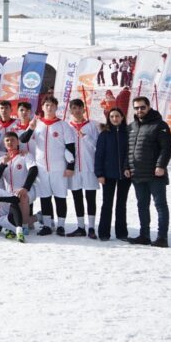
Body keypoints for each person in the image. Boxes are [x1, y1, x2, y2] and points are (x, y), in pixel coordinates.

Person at [22, 97, 77, 237]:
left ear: (56, 107)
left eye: (52, 105)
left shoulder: (63, 125)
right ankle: (47, 225)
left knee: (60, 197)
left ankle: (61, 226)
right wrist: (31, 128)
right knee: (45, 197)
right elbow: (23, 139)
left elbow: (70, 147)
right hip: (41, 168)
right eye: (47, 105)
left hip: (59, 167)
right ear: (42, 107)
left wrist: (71, 166)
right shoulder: (37, 124)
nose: (49, 108)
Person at [125, 97, 171, 247]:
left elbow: (168, 147)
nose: (139, 110)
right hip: (137, 174)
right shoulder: (131, 126)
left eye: (142, 107)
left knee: (160, 205)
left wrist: (161, 166)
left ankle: (162, 238)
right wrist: (126, 167)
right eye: (136, 108)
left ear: (148, 107)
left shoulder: (160, 125)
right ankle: (144, 235)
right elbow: (128, 149)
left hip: (155, 174)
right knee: (142, 205)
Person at [66, 98, 100, 238]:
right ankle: (80, 227)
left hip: (89, 167)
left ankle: (91, 227)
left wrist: (86, 138)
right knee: (77, 197)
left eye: (80, 108)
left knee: (91, 197)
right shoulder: (67, 126)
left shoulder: (92, 125)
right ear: (71, 110)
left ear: (84, 109)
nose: (77, 111)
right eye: (74, 108)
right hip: (74, 168)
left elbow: (98, 146)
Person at [94, 108, 130, 241]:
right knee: (107, 203)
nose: (115, 119)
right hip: (108, 175)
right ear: (109, 118)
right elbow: (99, 155)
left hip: (125, 175)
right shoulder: (104, 134)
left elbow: (130, 153)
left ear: (122, 117)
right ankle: (104, 233)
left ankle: (121, 233)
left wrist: (128, 168)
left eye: (117, 116)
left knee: (122, 204)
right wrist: (99, 174)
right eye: (112, 116)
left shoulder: (127, 133)